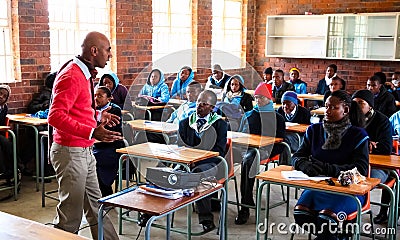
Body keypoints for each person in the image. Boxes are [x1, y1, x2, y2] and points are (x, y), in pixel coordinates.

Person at [47, 31, 121, 239]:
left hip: (84, 151)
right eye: (108, 50)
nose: (110, 55)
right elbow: (56, 116)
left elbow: (78, 110)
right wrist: (91, 130)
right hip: (71, 152)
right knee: (70, 216)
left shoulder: (84, 73)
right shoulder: (72, 75)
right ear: (94, 50)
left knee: (98, 207)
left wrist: (98, 116)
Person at [292, 90, 369, 240]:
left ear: (345, 110)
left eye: (332, 107)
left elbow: (360, 169)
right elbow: (297, 156)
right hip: (319, 186)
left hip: (348, 190)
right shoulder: (314, 130)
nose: (327, 111)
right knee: (301, 214)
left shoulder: (358, 135)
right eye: (326, 106)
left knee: (327, 219)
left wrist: (327, 168)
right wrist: (303, 165)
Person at [234, 82, 288, 225]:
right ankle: (210, 201)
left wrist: (268, 151)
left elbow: (281, 143)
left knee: (249, 159)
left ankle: (245, 207)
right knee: (218, 154)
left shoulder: (278, 118)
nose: (258, 101)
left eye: (262, 98)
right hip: (242, 148)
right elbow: (239, 134)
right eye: (256, 98)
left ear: (270, 99)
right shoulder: (249, 115)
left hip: (262, 151)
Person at [178, 90, 228, 232]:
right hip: (186, 163)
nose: (199, 106)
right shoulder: (185, 123)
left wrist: (197, 159)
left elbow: (219, 151)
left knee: (198, 173)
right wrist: (187, 159)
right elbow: (180, 147)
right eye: (198, 102)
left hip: (211, 164)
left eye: (204, 104)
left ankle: (206, 219)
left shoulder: (219, 125)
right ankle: (149, 213)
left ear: (212, 107)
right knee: (165, 172)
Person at [93, 86, 125, 197]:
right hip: (96, 145)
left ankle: (106, 193)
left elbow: (108, 131)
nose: (96, 98)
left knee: (96, 161)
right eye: (95, 95)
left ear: (109, 98)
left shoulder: (114, 109)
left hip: (111, 145)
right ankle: (97, 194)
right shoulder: (92, 109)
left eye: (100, 96)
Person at [0, 85, 15, 183]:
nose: (1, 97)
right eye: (0, 93)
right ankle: (5, 171)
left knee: (7, 143)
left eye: (4, 96)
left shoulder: (4, 108)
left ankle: (11, 170)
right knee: (4, 142)